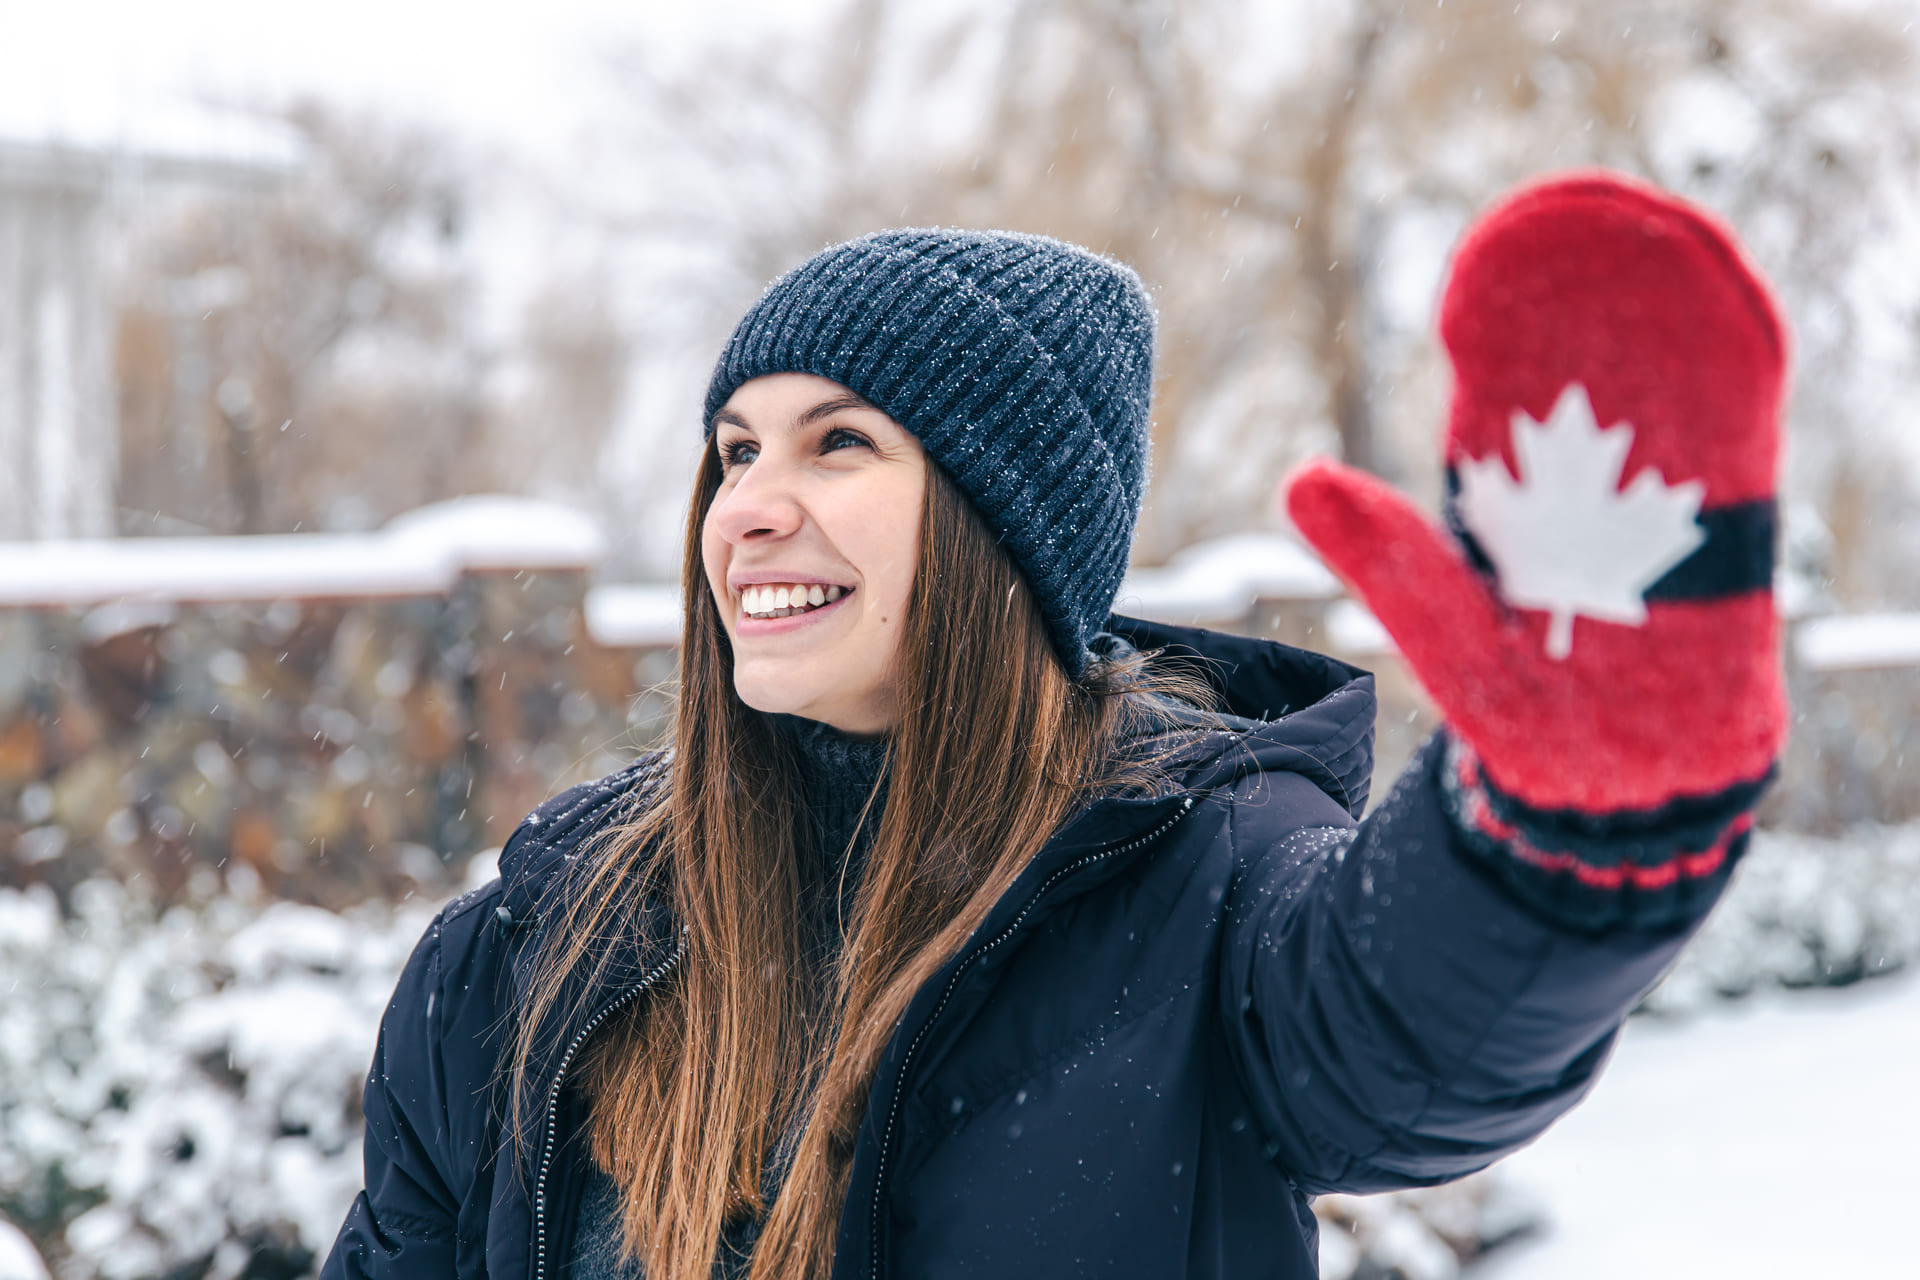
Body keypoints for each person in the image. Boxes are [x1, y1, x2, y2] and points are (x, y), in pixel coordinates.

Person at [322, 172, 1786, 1280]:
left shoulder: (1207, 887)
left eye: (842, 442)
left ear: (999, 533)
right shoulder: (536, 946)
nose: (749, 504)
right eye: (735, 449)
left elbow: (1416, 1037)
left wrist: (1556, 828)